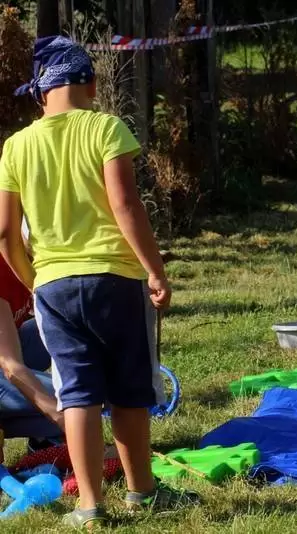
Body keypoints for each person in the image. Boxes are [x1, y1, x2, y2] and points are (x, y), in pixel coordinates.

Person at [0, 36, 197, 528]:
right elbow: (125, 205)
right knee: (129, 389)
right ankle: (142, 492)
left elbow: (5, 233)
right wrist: (155, 270)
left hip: (54, 286)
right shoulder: (106, 128)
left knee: (77, 393)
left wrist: (34, 280)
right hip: (116, 280)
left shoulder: (15, 146)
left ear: (41, 93)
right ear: (89, 83)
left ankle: (89, 505)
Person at [0, 254, 64, 466]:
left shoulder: (31, 261)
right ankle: (53, 432)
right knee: (71, 399)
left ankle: (44, 439)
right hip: (5, 366)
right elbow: (11, 367)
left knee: (61, 324)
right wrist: (66, 419)